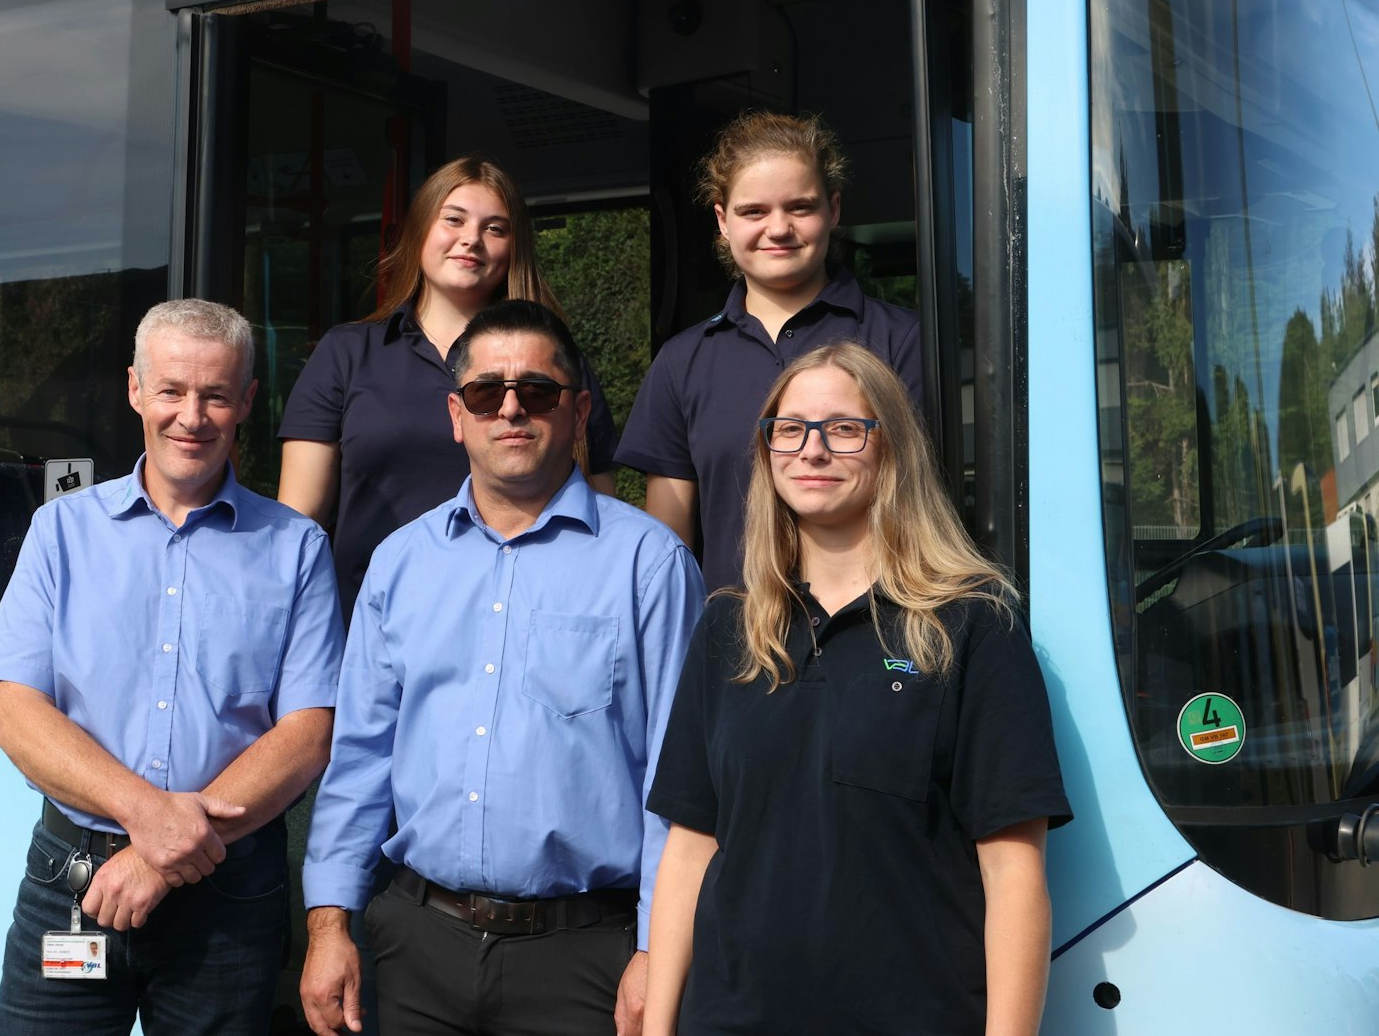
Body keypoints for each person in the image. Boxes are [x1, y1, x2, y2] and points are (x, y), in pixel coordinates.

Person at [641, 342, 1071, 1035]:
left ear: (892, 447)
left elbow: (1014, 875)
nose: (811, 449)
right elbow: (690, 849)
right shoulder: (728, 624)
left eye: (844, 427)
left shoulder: (972, 625)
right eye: (790, 428)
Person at [301, 300, 702, 1036]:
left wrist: (656, 948)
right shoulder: (400, 563)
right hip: (414, 946)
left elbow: (679, 784)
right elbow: (358, 761)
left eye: (538, 391)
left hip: (587, 958)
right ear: (457, 414)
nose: (511, 408)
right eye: (488, 392)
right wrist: (330, 927)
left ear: (578, 411)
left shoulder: (650, 564)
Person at [0, 299, 344, 1035]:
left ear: (246, 402)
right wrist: (149, 818)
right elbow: (16, 716)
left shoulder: (297, 548)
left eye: (214, 395)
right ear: (137, 389)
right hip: (74, 885)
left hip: (229, 898)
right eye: (172, 391)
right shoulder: (61, 531)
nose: (192, 416)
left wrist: (160, 859)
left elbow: (307, 735)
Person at [279, 154, 620, 618]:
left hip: (522, 627)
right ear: (420, 230)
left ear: (514, 247)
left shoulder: (558, 366)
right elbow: (300, 528)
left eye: (495, 228)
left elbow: (599, 522)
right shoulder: (347, 354)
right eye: (453, 220)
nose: (471, 240)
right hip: (369, 626)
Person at [615, 111, 921, 590]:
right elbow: (667, 551)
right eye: (753, 211)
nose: (778, 228)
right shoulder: (681, 361)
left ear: (834, 210)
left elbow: (918, 507)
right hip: (733, 645)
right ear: (722, 220)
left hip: (874, 638)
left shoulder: (900, 340)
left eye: (800, 207)